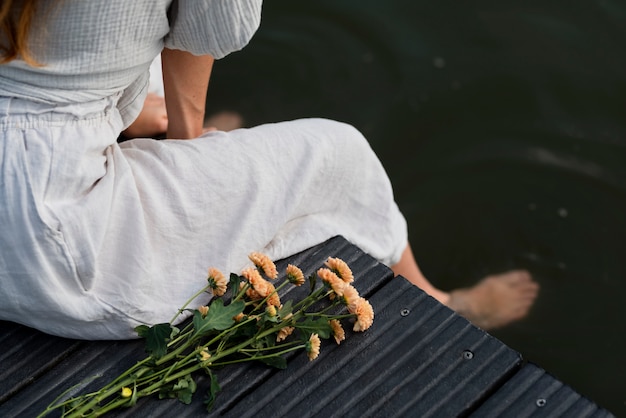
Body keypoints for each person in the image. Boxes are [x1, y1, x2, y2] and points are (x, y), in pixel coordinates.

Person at [0, 0, 537, 340]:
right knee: (339, 153)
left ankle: (155, 126)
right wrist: (192, 149)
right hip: (54, 251)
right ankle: (445, 304)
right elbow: (208, 32)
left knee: (143, 77)